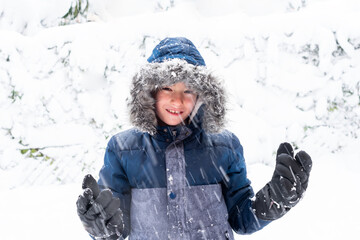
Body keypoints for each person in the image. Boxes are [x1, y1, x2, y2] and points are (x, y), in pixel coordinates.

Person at [76, 37, 312, 240]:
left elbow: (241, 217)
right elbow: (117, 222)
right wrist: (101, 224)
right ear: (149, 92)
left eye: (187, 91)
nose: (177, 101)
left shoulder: (224, 146)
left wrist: (272, 202)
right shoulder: (123, 149)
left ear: (202, 95)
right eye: (167, 88)